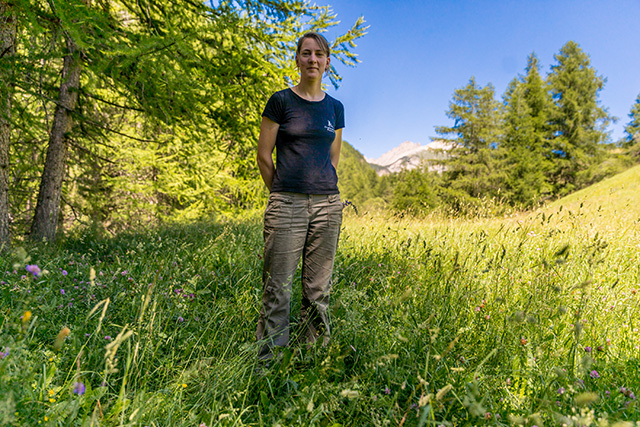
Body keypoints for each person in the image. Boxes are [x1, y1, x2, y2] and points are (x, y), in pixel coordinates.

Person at [255, 31, 344, 361]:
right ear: (297, 58)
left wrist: (322, 190)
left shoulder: (335, 108)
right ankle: (270, 365)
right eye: (306, 53)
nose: (312, 60)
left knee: (317, 291)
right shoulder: (280, 101)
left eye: (319, 54)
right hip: (287, 204)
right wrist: (281, 194)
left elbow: (333, 158)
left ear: (327, 62)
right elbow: (265, 156)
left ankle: (312, 361)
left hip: (328, 206)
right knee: (277, 289)